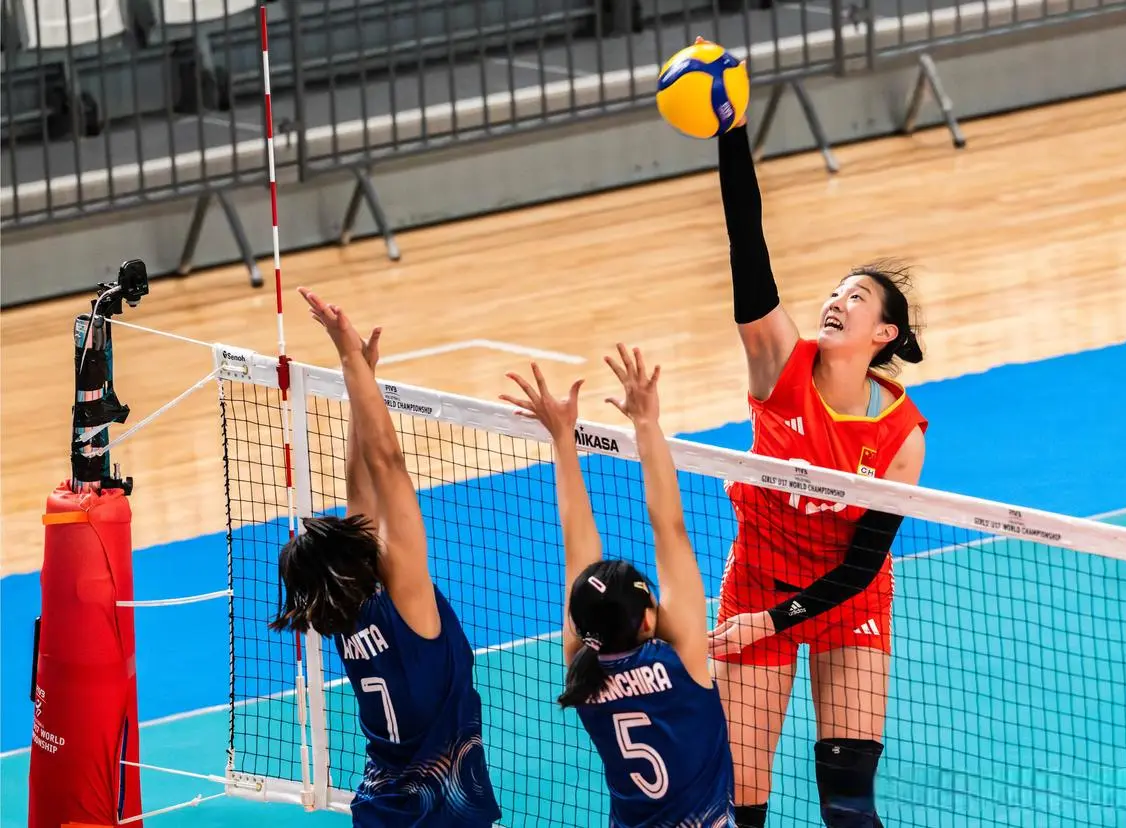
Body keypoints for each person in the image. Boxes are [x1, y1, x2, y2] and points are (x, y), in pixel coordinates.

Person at [705, 59, 929, 828]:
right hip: (757, 585)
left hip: (847, 600)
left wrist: (776, 623)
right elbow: (748, 245)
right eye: (834, 291)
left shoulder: (901, 438)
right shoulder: (780, 366)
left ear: (884, 334)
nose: (836, 301)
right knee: (740, 805)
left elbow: (863, 564)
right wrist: (732, 136)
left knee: (848, 805)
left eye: (855, 297)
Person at [270, 286, 502, 828]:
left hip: (383, 809)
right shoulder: (406, 601)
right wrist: (349, 355)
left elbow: (361, 492)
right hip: (443, 816)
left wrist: (362, 378)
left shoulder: (341, 615)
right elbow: (388, 465)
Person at [501, 345, 734, 828]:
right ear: (648, 619)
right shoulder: (680, 660)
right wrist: (645, 423)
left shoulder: (582, 671)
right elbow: (668, 527)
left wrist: (562, 439)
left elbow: (581, 551)